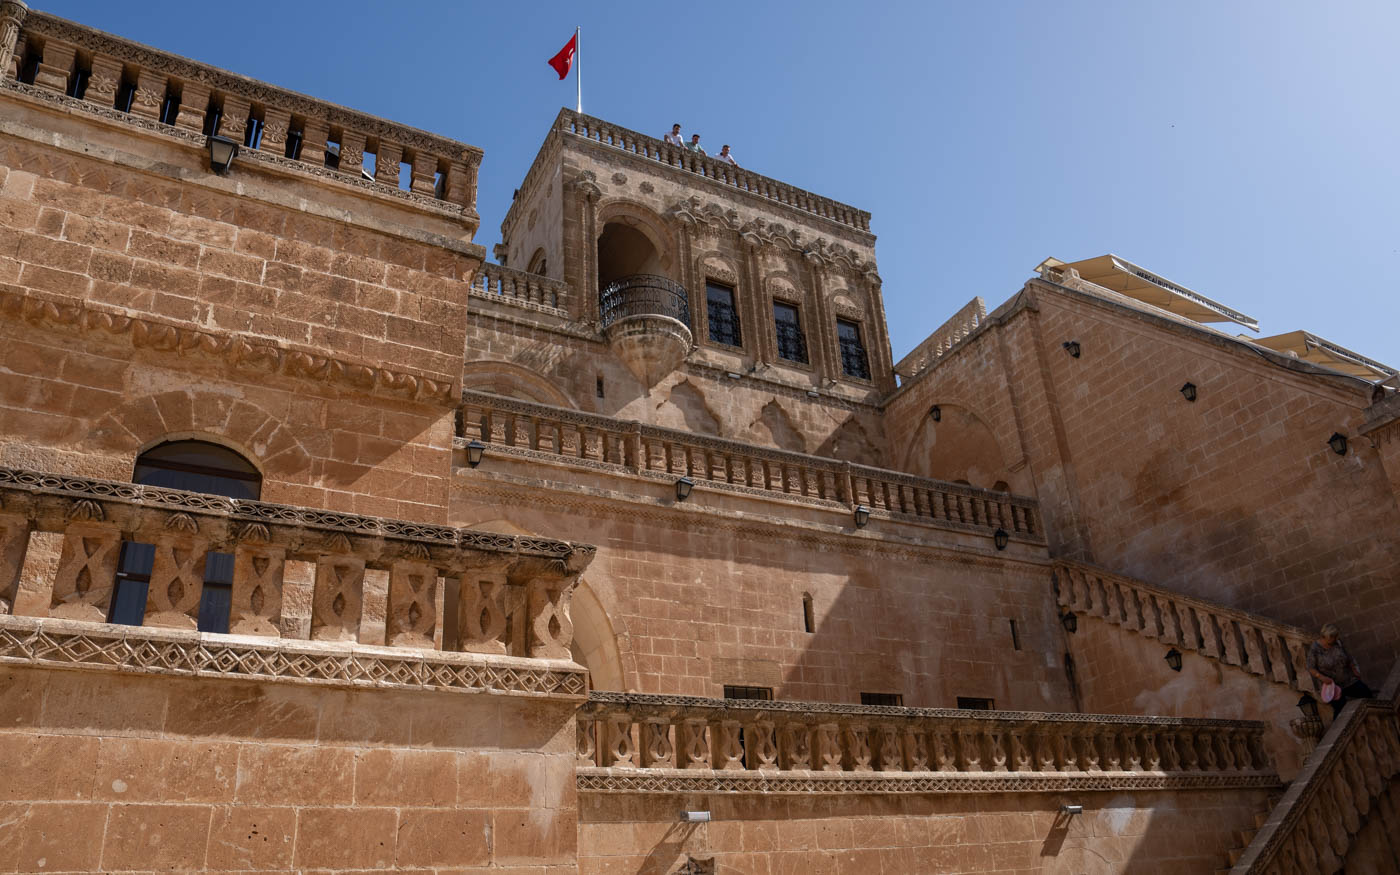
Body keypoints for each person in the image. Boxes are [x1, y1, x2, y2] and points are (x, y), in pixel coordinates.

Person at [1306, 624, 1374, 716]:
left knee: (1367, 693)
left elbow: (1347, 656)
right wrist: (1321, 677)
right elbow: (1311, 668)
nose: (1336, 639)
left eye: (1336, 636)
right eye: (1333, 637)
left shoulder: (1338, 642)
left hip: (1349, 679)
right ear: (1325, 637)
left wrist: (1354, 669)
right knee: (1340, 711)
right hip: (1333, 686)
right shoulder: (1315, 649)